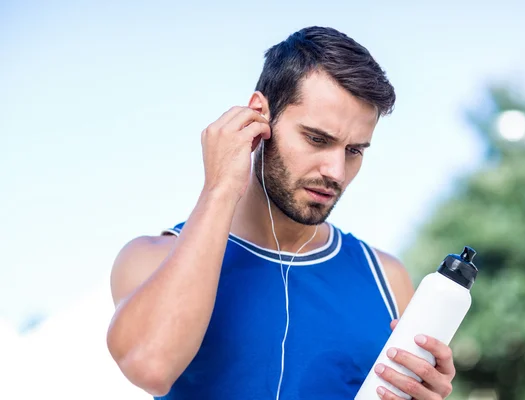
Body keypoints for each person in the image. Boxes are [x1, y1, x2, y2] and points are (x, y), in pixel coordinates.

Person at [106, 26, 456, 400]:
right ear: (259, 116)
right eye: (317, 139)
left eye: (354, 151)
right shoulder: (152, 258)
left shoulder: (386, 278)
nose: (335, 172)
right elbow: (151, 367)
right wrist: (220, 187)